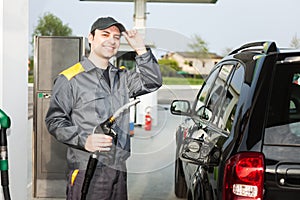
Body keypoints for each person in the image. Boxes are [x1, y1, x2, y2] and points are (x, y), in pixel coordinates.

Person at [45, 16, 162, 200]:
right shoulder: (70, 78)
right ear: (91, 38)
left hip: (118, 167)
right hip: (88, 168)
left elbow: (153, 81)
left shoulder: (122, 77)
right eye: (105, 34)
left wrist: (141, 49)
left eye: (116, 37)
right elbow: (54, 121)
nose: (112, 41)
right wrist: (84, 140)